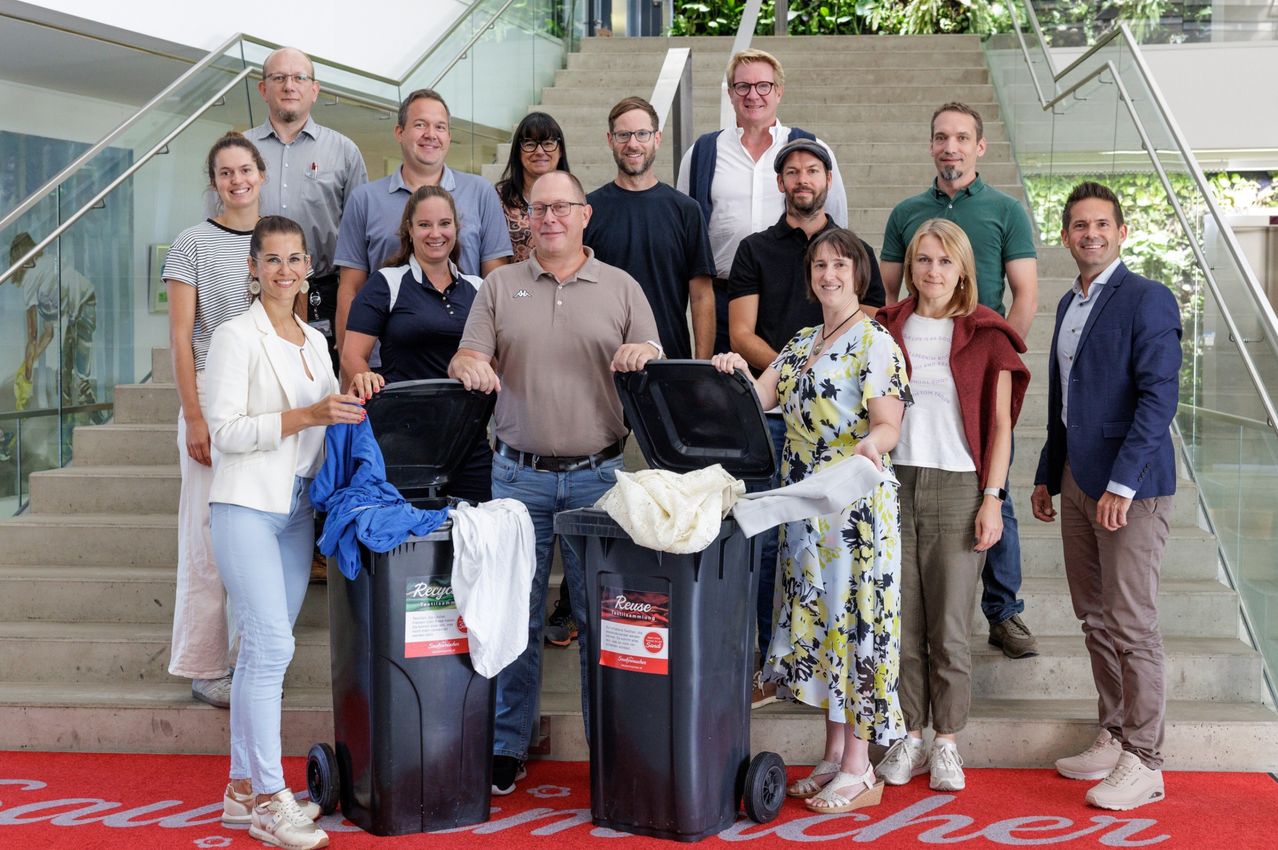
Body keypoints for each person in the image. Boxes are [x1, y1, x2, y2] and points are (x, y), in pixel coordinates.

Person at [449, 171, 661, 796]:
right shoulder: (499, 285)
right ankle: (508, 743)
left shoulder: (621, 286)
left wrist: (643, 353)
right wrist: (467, 363)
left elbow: (653, 350)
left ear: (584, 214)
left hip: (600, 475)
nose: (549, 218)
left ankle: (609, 746)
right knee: (515, 612)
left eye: (561, 207)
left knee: (604, 618)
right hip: (518, 476)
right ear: (527, 220)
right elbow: (469, 356)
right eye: (538, 209)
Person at [712, 227, 908, 814]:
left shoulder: (875, 342)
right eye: (819, 265)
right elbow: (758, 400)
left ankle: (860, 766)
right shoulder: (801, 343)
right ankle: (832, 755)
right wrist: (728, 370)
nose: (828, 274)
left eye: (840, 265)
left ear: (860, 274)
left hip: (853, 511)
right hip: (804, 512)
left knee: (852, 629)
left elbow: (888, 424)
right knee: (823, 628)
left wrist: (873, 444)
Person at [205, 216, 366, 849]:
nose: (285, 270)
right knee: (271, 648)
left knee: (260, 652)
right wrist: (308, 414)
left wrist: (357, 392)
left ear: (307, 266)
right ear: (253, 267)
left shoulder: (313, 339)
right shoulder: (233, 337)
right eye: (271, 259)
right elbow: (224, 432)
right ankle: (273, 800)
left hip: (297, 511)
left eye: (295, 259)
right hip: (244, 506)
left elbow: (332, 415)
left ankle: (242, 789)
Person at [1031, 182, 1181, 811]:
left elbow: (1158, 398)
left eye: (1101, 224)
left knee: (1131, 624)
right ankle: (1115, 734)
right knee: (1093, 617)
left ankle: (1147, 760)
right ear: (1065, 237)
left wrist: (1122, 483)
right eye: (1078, 225)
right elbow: (1064, 403)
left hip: (1130, 487)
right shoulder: (1069, 304)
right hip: (1076, 481)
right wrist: (1048, 471)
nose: (1089, 233)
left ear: (1120, 232)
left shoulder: (1147, 299)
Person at [880, 101, 1041, 660]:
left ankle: (1004, 612)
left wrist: (992, 355)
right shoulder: (907, 213)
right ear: (931, 146)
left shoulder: (1006, 210)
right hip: (925, 369)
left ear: (980, 147)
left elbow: (1025, 295)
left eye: (962, 137)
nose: (951, 147)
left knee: (997, 499)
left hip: (977, 366)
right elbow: (888, 297)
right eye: (941, 137)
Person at [727, 138, 884, 708]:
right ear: (780, 182)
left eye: (812, 169)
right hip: (784, 433)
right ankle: (775, 671)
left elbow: (869, 358)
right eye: (790, 170)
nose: (827, 273)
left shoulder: (861, 277)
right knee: (780, 556)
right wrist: (795, 378)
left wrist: (813, 381)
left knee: (835, 583)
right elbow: (744, 348)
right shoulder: (758, 257)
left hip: (844, 461)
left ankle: (839, 710)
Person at [874, 219, 1029, 792]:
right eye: (922, 260)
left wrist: (993, 498)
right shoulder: (887, 327)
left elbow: (1000, 426)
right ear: (910, 267)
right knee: (903, 624)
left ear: (963, 267)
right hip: (894, 485)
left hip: (960, 486)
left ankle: (947, 743)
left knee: (951, 628)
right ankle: (909, 736)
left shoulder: (987, 333)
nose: (932, 271)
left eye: (943, 261)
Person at [163, 132, 267, 707]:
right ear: (214, 182)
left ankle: (250, 660)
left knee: (255, 537)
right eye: (225, 172)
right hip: (210, 395)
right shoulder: (190, 244)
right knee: (205, 537)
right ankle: (205, 667)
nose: (237, 180)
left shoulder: (279, 237)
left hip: (267, 403)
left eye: (245, 169)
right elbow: (180, 339)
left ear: (261, 174)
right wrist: (195, 417)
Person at [676, 48, 848, 354]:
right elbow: (685, 233)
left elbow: (837, 227)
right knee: (725, 397)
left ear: (779, 91)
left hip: (795, 298)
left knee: (797, 391)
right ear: (730, 93)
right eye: (742, 86)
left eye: (763, 86)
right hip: (724, 300)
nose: (753, 95)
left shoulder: (811, 149)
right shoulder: (702, 153)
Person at [334, 88, 512, 359]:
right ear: (399, 132)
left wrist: (494, 362)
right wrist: (352, 370)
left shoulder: (481, 193)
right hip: (383, 369)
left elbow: (495, 286)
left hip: (466, 362)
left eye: (440, 127)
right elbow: (350, 290)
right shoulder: (364, 199)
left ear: (449, 137)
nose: (431, 134)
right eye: (420, 125)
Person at [342, 185, 492, 501]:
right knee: (412, 544)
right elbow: (352, 355)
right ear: (409, 229)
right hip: (404, 442)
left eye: (444, 223)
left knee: (476, 541)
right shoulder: (386, 283)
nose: (435, 233)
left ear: (456, 228)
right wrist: (363, 376)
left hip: (469, 442)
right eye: (424, 224)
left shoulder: (479, 289)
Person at [245, 46, 368, 374]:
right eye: (279, 78)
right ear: (263, 88)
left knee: (319, 385)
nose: (289, 85)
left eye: (299, 77)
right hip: (253, 290)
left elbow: (360, 237)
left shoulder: (344, 152)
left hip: (323, 293)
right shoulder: (240, 151)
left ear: (314, 90)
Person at [584, 96, 715, 360]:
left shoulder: (686, 210)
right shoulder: (587, 210)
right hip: (602, 362)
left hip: (669, 362)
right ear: (610, 140)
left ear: (657, 138)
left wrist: (700, 368)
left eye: (642, 134)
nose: (633, 144)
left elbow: (701, 296)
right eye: (623, 135)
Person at [495, 111, 571, 263]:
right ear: (518, 151)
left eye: (548, 143)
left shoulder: (574, 197)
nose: (539, 151)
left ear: (560, 150)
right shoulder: (497, 199)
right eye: (530, 144)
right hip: (512, 284)